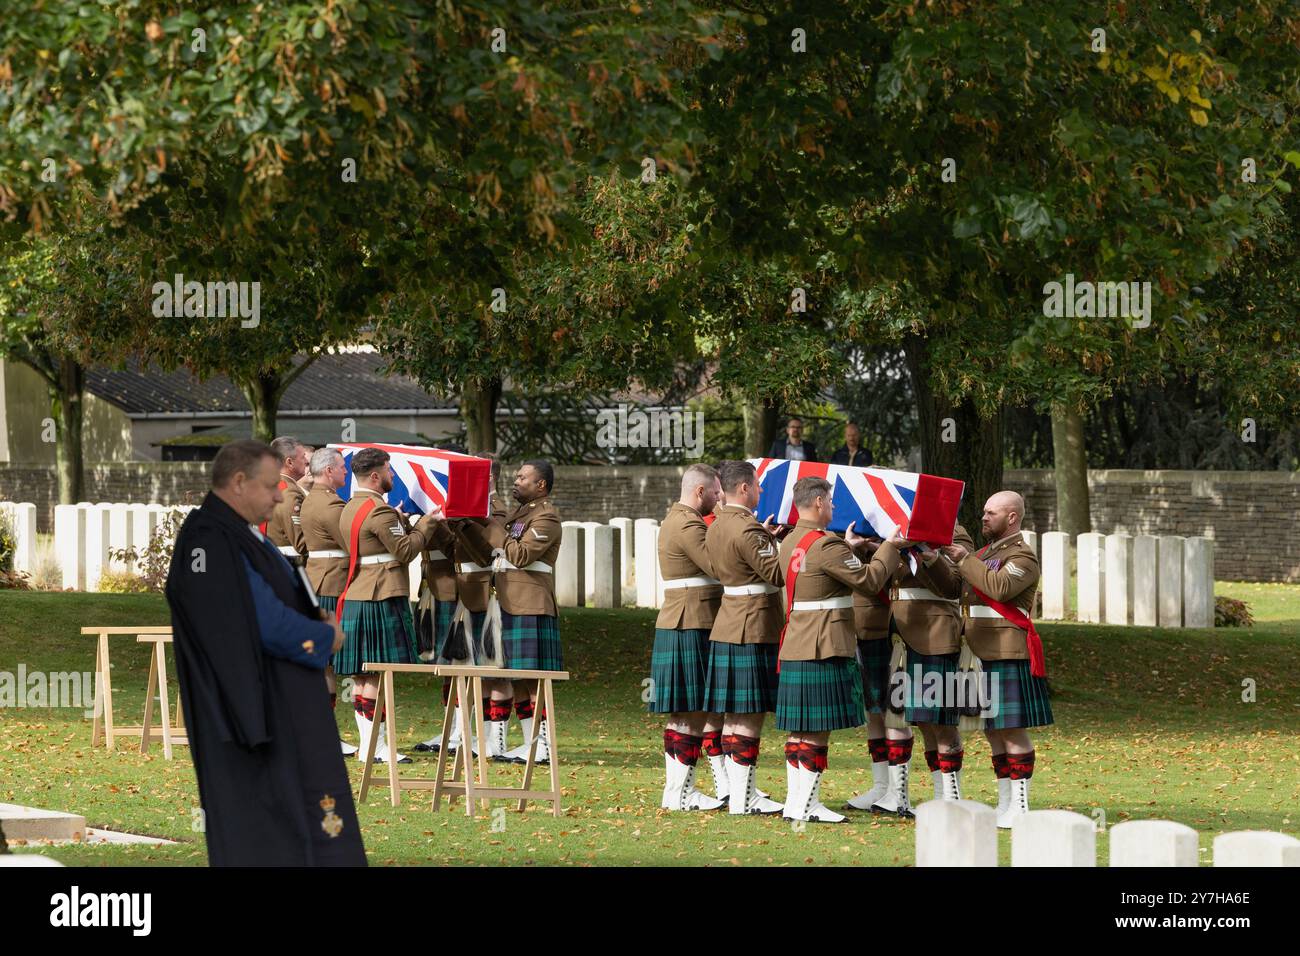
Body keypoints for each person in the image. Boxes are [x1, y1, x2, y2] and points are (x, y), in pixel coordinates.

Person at [164, 439, 365, 866]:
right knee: (270, 833)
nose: (279, 495)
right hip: (255, 715)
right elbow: (264, 622)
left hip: (280, 705)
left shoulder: (236, 536)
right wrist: (323, 638)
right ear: (239, 482)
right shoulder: (208, 540)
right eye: (271, 486)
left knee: (305, 823)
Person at [775, 476, 907, 822]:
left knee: (799, 728)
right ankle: (808, 805)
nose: (833, 507)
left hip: (796, 642)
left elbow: (817, 575)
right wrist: (890, 546)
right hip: (824, 643)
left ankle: (796, 801)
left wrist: (846, 548)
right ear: (819, 503)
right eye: (831, 502)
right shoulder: (826, 545)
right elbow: (870, 580)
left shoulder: (791, 540)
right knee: (817, 727)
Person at [942, 491, 1051, 829]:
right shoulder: (986, 552)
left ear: (1012, 517)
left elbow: (1000, 588)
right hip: (979, 650)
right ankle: (1005, 801)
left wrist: (964, 560)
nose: (984, 517)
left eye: (991, 513)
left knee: (1012, 731)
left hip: (1007, 650)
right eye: (984, 512)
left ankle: (1021, 805)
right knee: (993, 730)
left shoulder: (1023, 557)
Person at [334, 447, 445, 764]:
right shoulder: (379, 512)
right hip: (381, 594)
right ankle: (378, 748)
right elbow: (406, 550)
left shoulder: (350, 507)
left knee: (361, 677)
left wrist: (396, 519)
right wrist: (427, 523)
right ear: (375, 475)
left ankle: (370, 745)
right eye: (389, 470)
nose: (392, 476)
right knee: (378, 675)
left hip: (358, 592)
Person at [458, 460, 563, 765]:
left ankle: (543, 745)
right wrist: (468, 525)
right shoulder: (521, 515)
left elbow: (518, 554)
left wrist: (491, 526)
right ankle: (532, 742)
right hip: (509, 602)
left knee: (534, 680)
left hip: (530, 603)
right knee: (517, 678)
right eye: (516, 476)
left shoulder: (546, 518)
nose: (515, 481)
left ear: (540, 485)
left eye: (522, 478)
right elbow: (492, 552)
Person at [702, 460, 786, 814]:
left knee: (734, 715)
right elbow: (778, 574)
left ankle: (738, 796)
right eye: (758, 485)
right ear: (744, 488)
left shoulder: (718, 525)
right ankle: (745, 798)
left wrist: (767, 538)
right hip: (753, 625)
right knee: (749, 715)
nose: (761, 491)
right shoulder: (749, 530)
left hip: (728, 623)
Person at [883, 522, 976, 814]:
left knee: (941, 723)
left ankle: (949, 799)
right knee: (905, 720)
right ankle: (900, 799)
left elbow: (954, 585)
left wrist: (930, 555)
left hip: (935, 635)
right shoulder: (894, 531)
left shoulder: (955, 534)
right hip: (900, 637)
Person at [652, 463, 726, 811]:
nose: (718, 499)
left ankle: (678, 790)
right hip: (691, 621)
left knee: (687, 710)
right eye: (715, 493)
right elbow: (719, 565)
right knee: (691, 710)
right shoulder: (688, 523)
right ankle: (681, 792)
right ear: (700, 492)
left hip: (684, 620)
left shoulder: (676, 519)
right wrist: (731, 524)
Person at [843, 537, 909, 813]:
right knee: (873, 712)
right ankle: (882, 787)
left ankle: (899, 793)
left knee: (892, 713)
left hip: (889, 633)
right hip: (859, 632)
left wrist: (884, 548)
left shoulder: (899, 538)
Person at [300, 446, 358, 756]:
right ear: (329, 472)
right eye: (342, 468)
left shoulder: (311, 499)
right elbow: (353, 543)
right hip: (331, 584)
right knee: (326, 663)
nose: (346, 473)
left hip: (316, 580)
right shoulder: (332, 504)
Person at [265, 436, 310, 560]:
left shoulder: (267, 487)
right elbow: (301, 543)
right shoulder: (289, 492)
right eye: (303, 457)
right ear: (289, 462)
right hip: (291, 564)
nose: (306, 461)